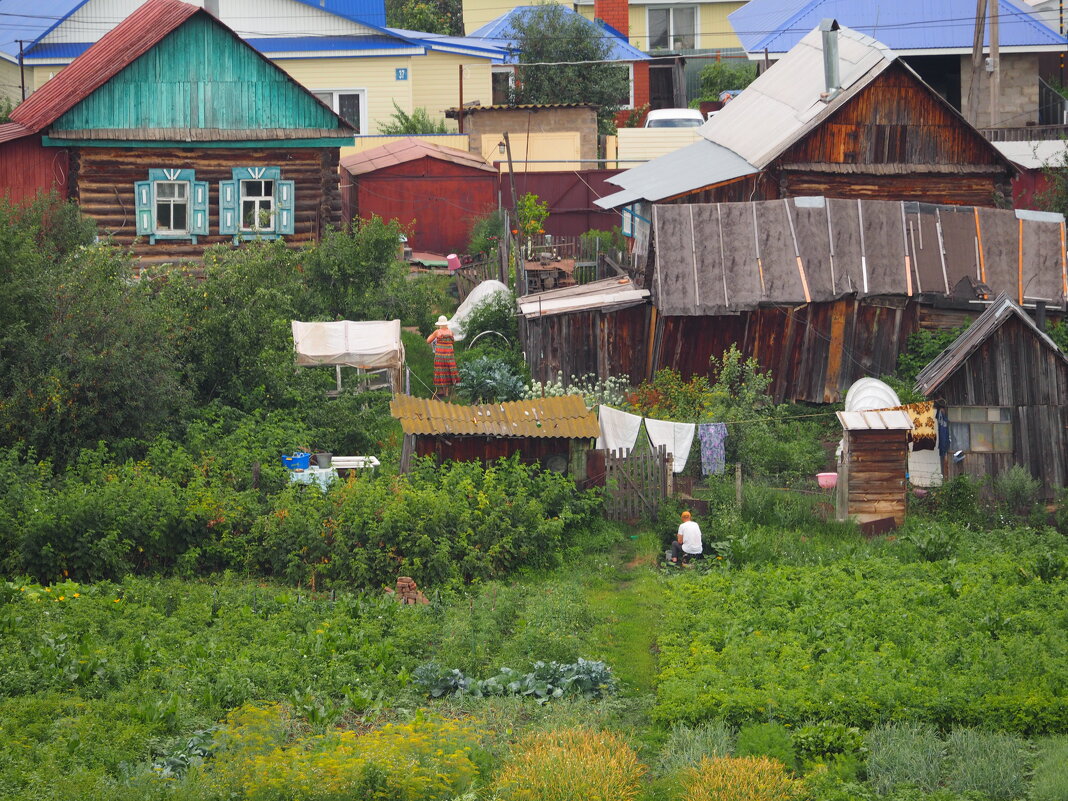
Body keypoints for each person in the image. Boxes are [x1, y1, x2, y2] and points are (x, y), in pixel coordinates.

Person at [427, 315, 459, 398]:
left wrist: (433, 335)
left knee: (441, 371)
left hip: (440, 355)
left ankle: (442, 391)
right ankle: (447, 392)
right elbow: (452, 342)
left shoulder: (437, 332)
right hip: (449, 356)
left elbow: (428, 341)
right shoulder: (450, 332)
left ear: (439, 324)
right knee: (448, 371)